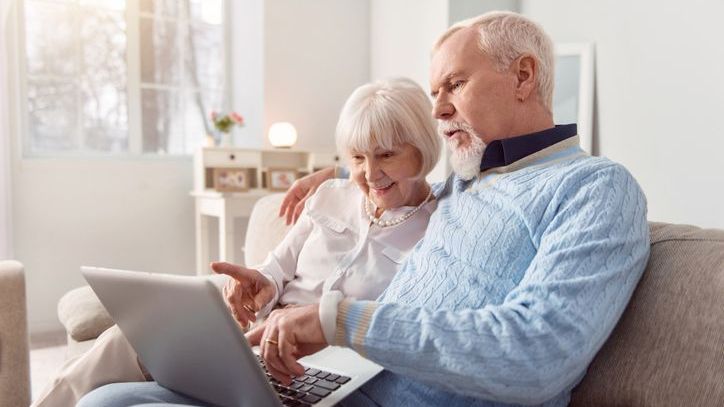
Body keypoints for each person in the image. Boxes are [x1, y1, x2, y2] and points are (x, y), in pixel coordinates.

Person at [80, 10, 651, 407]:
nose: (440, 108)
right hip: (343, 388)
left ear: (523, 76)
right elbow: (395, 175)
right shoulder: (465, 184)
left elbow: (538, 354)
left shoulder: (595, 189)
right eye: (434, 94)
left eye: (454, 85)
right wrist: (336, 171)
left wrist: (336, 319)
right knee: (110, 394)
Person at [34, 77, 441, 407]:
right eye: (356, 158)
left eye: (386, 155)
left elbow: (397, 326)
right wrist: (262, 282)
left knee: (110, 401)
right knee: (128, 336)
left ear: (421, 149)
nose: (369, 173)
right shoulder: (329, 195)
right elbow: (278, 265)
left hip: (315, 359)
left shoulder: (440, 225)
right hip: (254, 333)